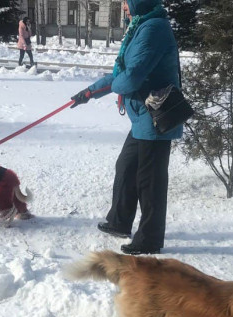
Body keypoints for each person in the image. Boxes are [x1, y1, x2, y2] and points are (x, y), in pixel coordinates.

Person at [69, 0, 182, 255]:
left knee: (150, 181)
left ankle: (150, 239)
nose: (123, 7)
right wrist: (89, 92)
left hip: (155, 118)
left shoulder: (153, 29)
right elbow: (121, 74)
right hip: (142, 117)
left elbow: (130, 78)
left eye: (126, 2)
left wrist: (118, 84)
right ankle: (120, 221)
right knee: (127, 167)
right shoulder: (140, 26)